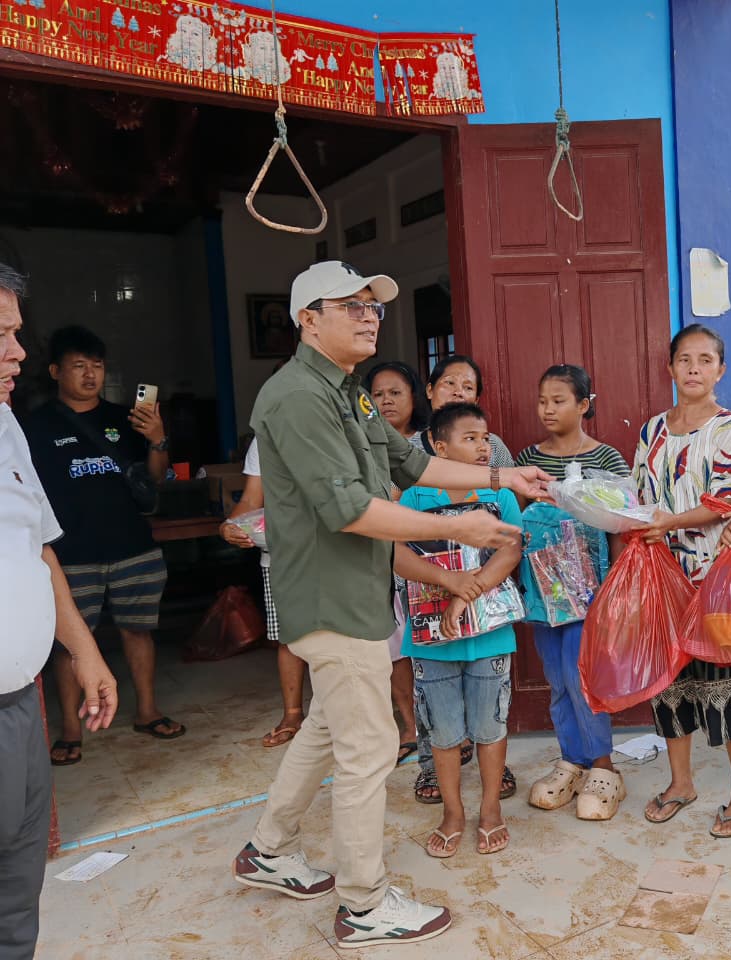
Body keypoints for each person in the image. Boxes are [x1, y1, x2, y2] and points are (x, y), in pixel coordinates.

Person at [230, 260, 549, 949]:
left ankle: (269, 849)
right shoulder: (297, 398)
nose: (369, 316)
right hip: (331, 595)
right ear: (307, 320)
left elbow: (410, 465)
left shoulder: (349, 392)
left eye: (372, 306)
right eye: (350, 305)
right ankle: (364, 905)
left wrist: (502, 476)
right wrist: (460, 528)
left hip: (355, 590)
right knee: (370, 745)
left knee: (328, 726)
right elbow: (348, 509)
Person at [1, 261, 118, 960]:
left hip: (20, 707)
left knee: (18, 893)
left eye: (16, 333)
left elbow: (40, 550)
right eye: (1, 335)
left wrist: (85, 651)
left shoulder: (8, 427)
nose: (17, 352)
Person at [22, 324, 184, 763]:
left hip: (132, 546)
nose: (90, 374)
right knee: (70, 643)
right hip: (70, 556)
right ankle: (71, 730)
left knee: (139, 630)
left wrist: (157, 438)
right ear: (55, 371)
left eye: (96, 365)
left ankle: (147, 711)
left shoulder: (125, 419)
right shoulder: (35, 426)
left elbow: (153, 478)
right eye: (79, 365)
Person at [633, 325, 731, 837]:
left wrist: (668, 523)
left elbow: (724, 502)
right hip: (662, 576)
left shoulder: (729, 430)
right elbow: (640, 499)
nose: (694, 369)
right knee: (669, 683)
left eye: (706, 360)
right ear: (670, 367)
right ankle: (680, 783)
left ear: (720, 370)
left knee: (725, 684)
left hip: (713, 577)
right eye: (685, 359)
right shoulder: (651, 431)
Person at [394, 402, 521, 858]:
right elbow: (396, 554)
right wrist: (449, 583)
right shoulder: (415, 498)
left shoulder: (499, 496)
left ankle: (490, 810)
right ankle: (453, 813)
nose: (483, 446)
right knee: (444, 733)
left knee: (490, 726)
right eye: (470, 438)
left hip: (490, 636)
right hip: (432, 641)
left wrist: (468, 593)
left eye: (485, 438)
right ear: (439, 447)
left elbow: (511, 550)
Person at [515, 364, 630, 821]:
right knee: (557, 678)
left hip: (591, 592)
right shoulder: (528, 459)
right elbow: (514, 519)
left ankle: (604, 767)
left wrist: (617, 588)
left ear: (583, 405)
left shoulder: (608, 460)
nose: (547, 409)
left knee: (583, 676)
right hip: (543, 591)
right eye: (542, 400)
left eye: (558, 401)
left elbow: (622, 525)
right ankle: (572, 760)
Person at [365, 360, 434, 761]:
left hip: (428, 561)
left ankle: (443, 728)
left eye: (395, 393)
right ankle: (409, 724)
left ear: (414, 397)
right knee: (395, 648)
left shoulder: (430, 443)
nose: (386, 401)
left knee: (431, 644)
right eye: (377, 394)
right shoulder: (361, 444)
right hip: (381, 562)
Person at [221, 438, 308, 748]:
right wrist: (229, 526)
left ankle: (337, 718)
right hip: (279, 556)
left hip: (333, 553)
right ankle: (293, 715)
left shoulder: (337, 424)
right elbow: (251, 499)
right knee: (289, 638)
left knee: (337, 639)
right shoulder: (266, 438)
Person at [425, 355, 515, 467]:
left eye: (468, 387)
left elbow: (508, 476)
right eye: (450, 383)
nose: (459, 392)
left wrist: (492, 475)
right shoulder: (409, 449)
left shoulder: (494, 446)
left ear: (476, 400)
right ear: (430, 390)